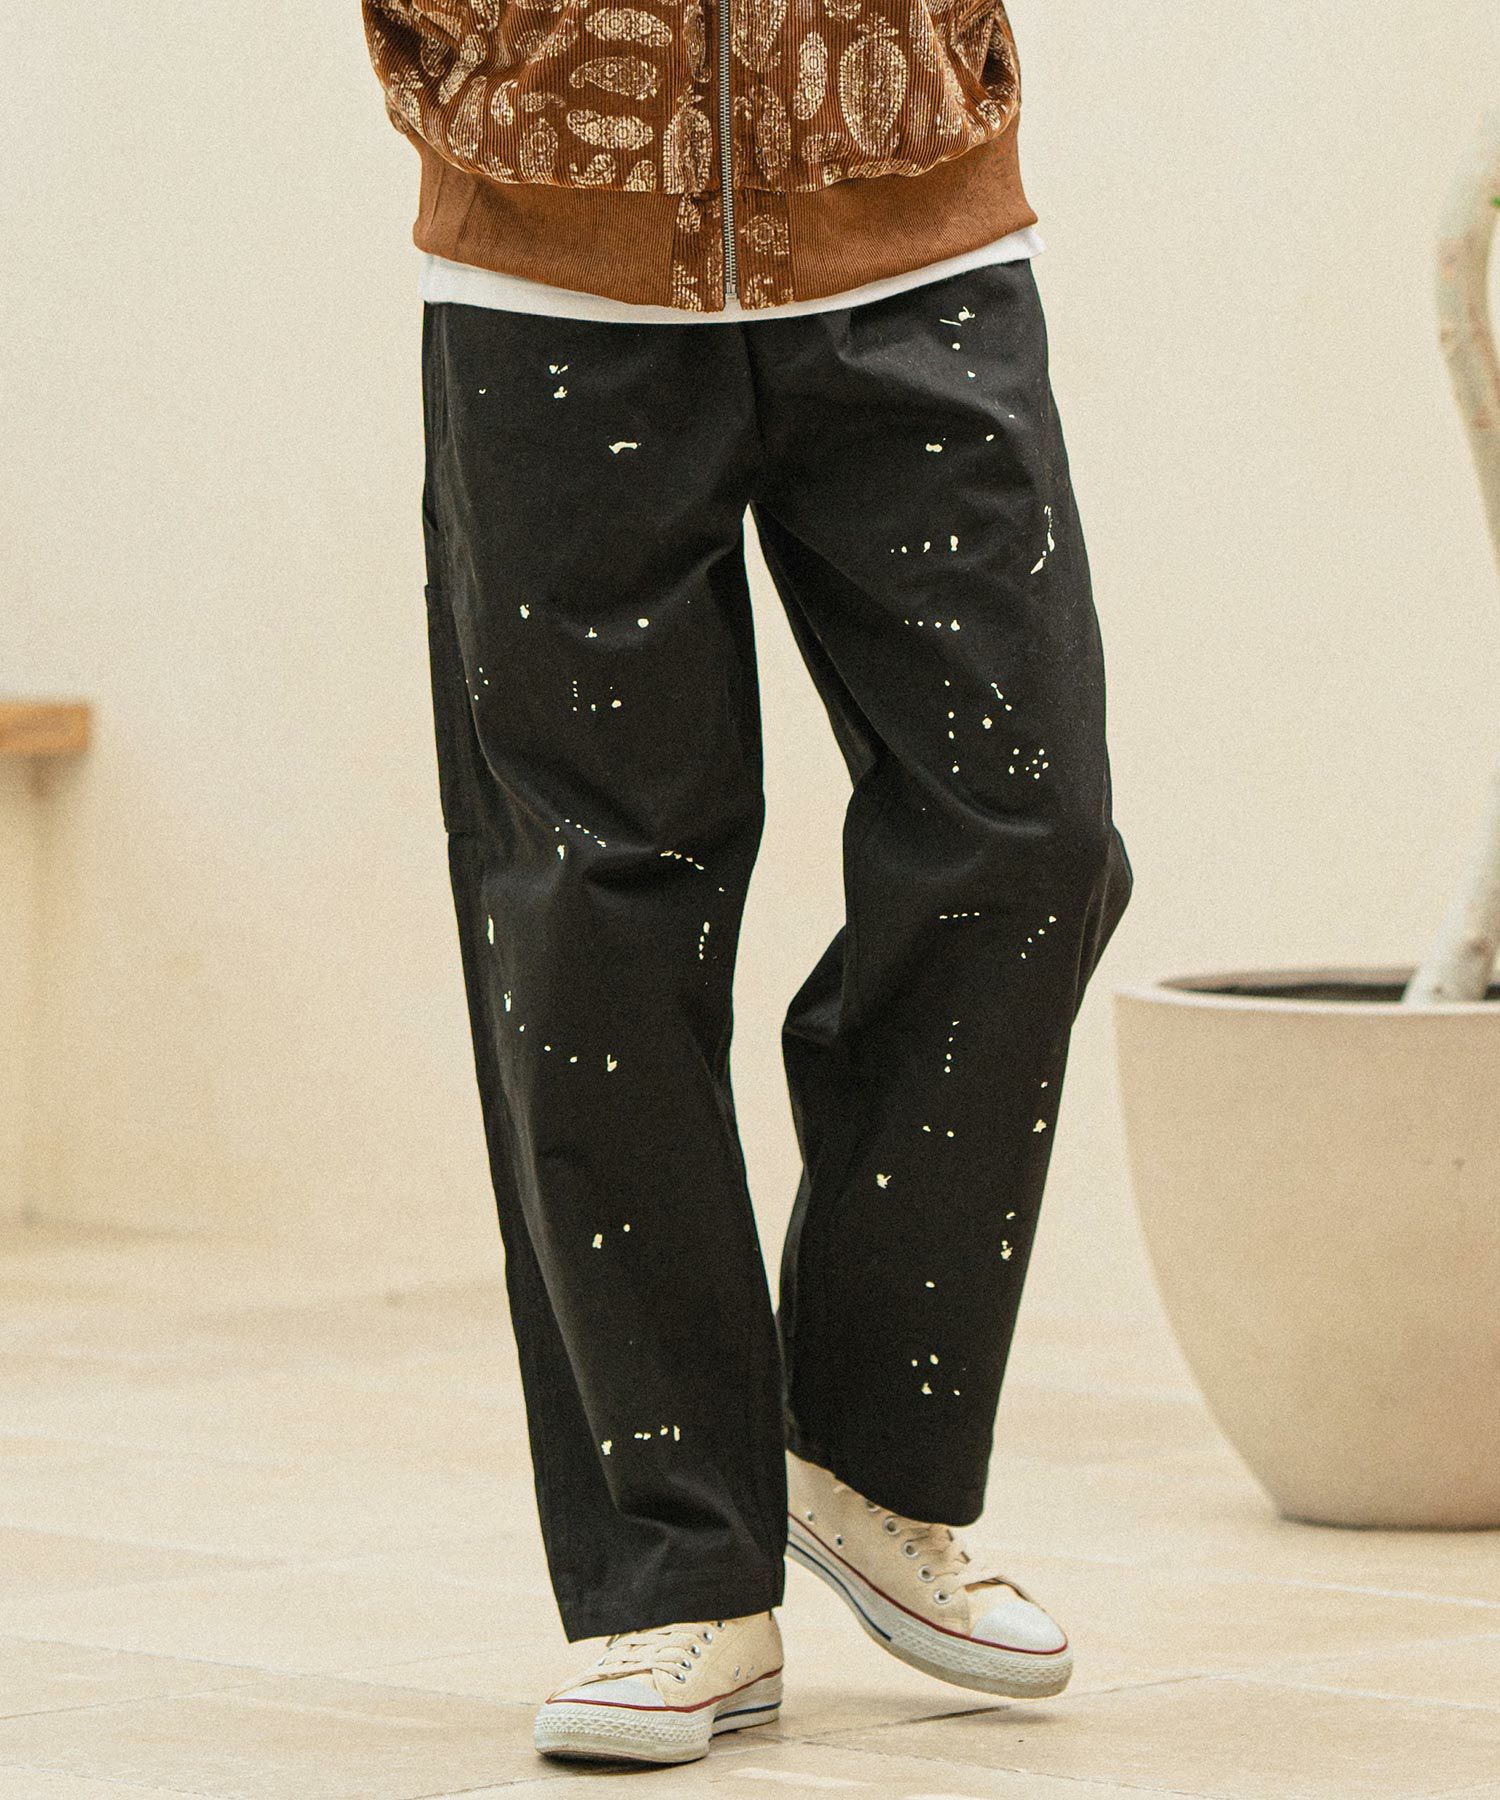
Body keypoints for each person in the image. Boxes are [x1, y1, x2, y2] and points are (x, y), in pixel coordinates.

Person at [361, 0, 1134, 1767]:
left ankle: (863, 1459)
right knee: (590, 905)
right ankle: (674, 1575)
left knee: (1029, 834)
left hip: (911, 223)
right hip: (552, 258)